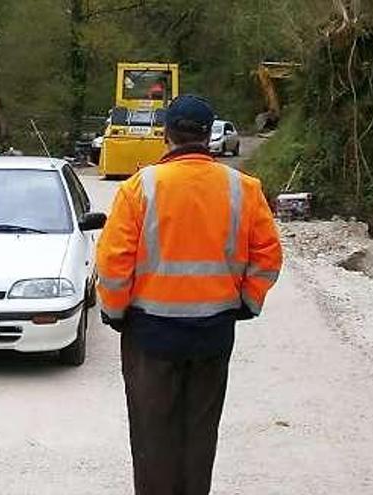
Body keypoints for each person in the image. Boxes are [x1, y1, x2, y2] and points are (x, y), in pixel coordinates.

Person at [96, 95, 283, 494]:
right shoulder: (244, 189)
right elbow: (268, 257)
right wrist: (248, 302)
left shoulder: (139, 188)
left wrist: (114, 312)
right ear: (208, 135)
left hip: (150, 336)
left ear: (167, 134)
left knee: (152, 436)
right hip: (213, 335)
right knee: (200, 435)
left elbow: (114, 264)